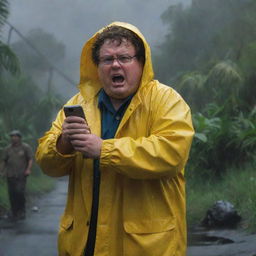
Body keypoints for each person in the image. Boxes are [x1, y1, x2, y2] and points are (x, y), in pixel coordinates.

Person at [36, 22, 194, 256]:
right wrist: (64, 142)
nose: (115, 65)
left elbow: (172, 153)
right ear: (97, 66)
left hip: (146, 247)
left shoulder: (166, 100)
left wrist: (104, 150)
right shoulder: (77, 105)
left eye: (124, 57)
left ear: (141, 63)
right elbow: (47, 164)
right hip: (84, 244)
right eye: (107, 59)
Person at [1, 130, 33, 221]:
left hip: (21, 175)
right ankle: (14, 211)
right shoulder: (8, 149)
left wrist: (28, 169)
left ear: (19, 138)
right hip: (10, 175)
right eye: (12, 136)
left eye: (15, 136)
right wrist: (2, 171)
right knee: (12, 194)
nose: (13, 138)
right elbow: (4, 161)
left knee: (20, 192)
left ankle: (22, 211)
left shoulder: (25, 147)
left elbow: (30, 159)